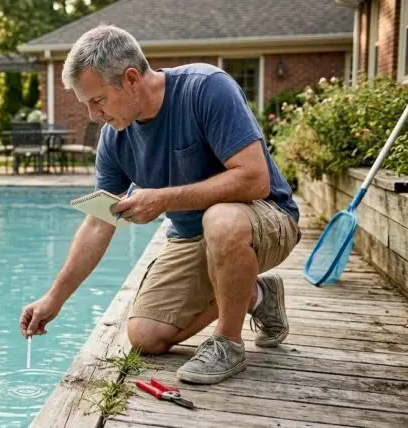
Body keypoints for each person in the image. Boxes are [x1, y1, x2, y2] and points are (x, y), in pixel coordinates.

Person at [18, 24, 301, 385]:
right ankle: (258, 294)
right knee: (146, 336)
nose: (93, 115)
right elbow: (98, 223)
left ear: (131, 78)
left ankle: (228, 343)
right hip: (191, 237)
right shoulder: (114, 139)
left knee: (221, 220)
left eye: (98, 100)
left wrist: (164, 198)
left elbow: (254, 178)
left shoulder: (206, 88)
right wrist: (53, 299)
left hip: (266, 219)